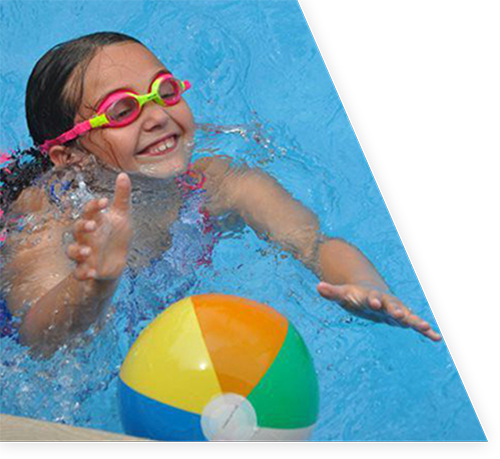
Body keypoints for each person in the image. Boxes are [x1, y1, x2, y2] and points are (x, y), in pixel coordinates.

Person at [0, 32, 441, 357]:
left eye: (164, 90)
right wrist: (92, 283)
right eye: (123, 109)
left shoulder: (217, 182)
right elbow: (37, 336)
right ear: (68, 155)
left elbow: (315, 245)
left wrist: (364, 287)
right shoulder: (45, 217)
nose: (156, 116)